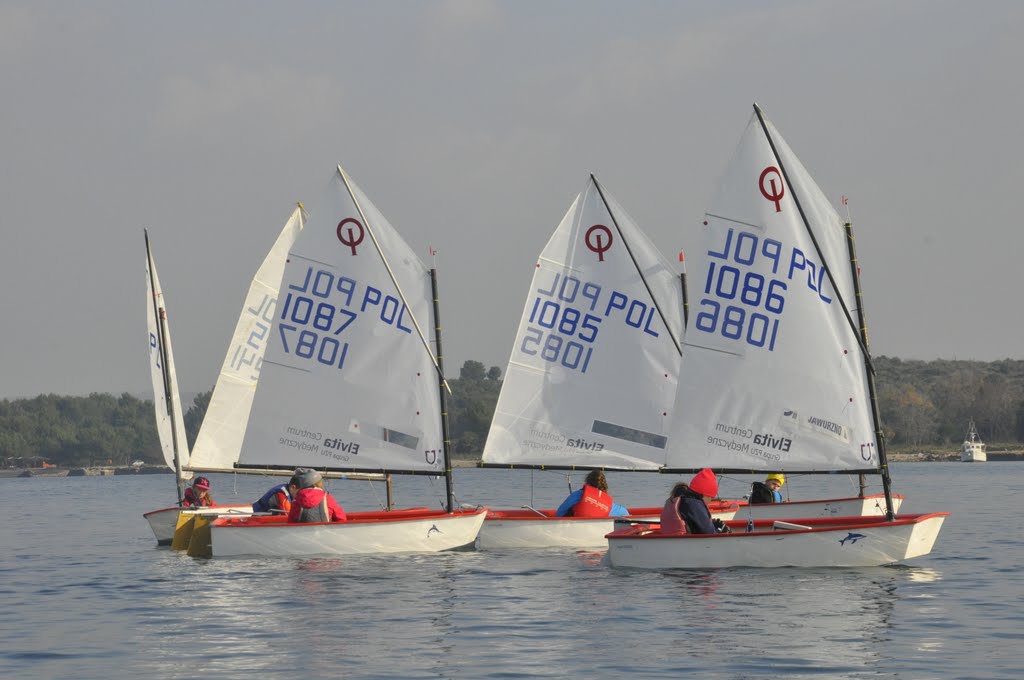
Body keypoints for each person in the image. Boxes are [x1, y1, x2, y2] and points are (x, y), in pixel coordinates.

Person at [660, 468, 728, 535]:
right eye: (711, 497)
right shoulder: (694, 504)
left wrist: (712, 524)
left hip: (673, 539)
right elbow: (709, 533)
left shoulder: (680, 499)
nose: (709, 502)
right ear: (705, 495)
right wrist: (721, 531)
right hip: (687, 541)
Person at [555, 470, 628, 518]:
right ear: (604, 485)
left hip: (575, 529)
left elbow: (559, 513)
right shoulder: (608, 502)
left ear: (587, 482)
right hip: (597, 531)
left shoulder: (577, 495)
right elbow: (625, 513)